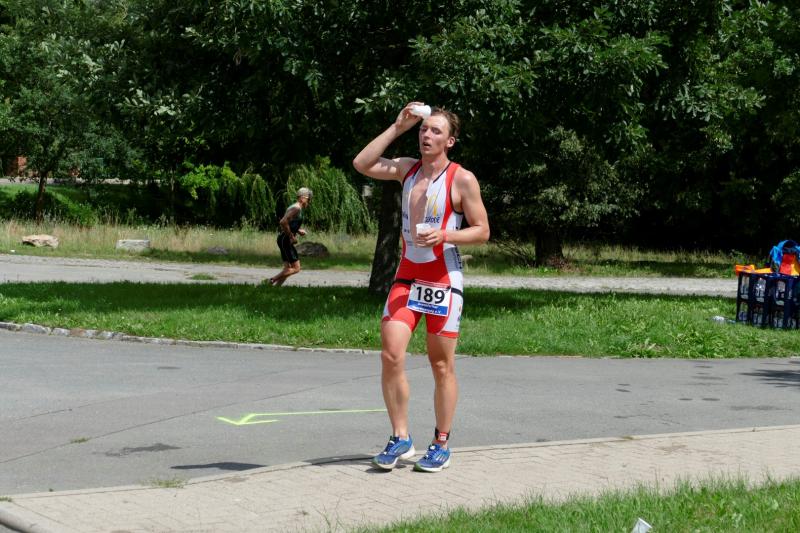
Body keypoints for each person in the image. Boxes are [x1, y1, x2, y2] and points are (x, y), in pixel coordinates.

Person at [352, 102, 490, 472]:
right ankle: (401, 438)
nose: (427, 135)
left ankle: (441, 442)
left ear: (450, 141)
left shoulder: (462, 179)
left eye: (435, 131)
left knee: (441, 364)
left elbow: (482, 230)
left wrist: (446, 235)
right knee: (391, 354)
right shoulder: (406, 169)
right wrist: (397, 127)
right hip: (408, 275)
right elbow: (362, 163)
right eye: (424, 129)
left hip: (443, 278)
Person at [268, 187, 312, 286]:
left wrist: (298, 230)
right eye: (308, 199)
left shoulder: (295, 207)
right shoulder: (297, 208)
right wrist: (291, 236)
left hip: (283, 239)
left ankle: (276, 288)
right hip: (285, 239)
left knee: (287, 268)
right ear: (302, 198)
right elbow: (283, 222)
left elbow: (289, 222)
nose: (309, 201)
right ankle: (271, 280)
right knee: (296, 268)